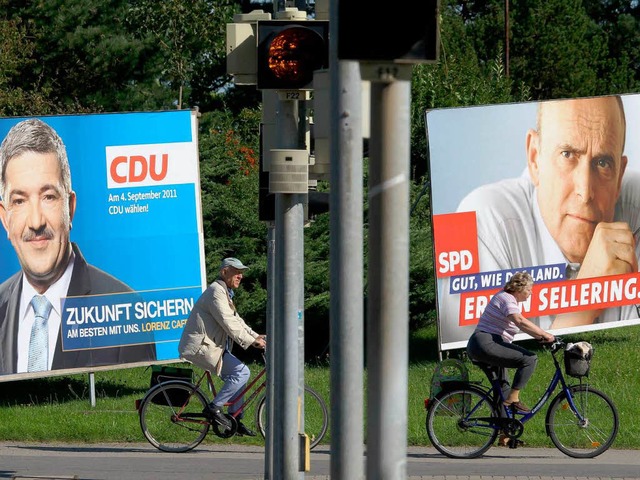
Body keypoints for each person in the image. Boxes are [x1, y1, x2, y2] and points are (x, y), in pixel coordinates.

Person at [440, 95, 640, 344]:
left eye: (602, 162)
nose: (585, 191)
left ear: (619, 176)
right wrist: (585, 298)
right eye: (567, 154)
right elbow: (468, 362)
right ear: (535, 158)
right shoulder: (469, 221)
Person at [0, 118, 156, 375]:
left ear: (70, 209)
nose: (36, 221)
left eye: (49, 196)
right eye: (20, 200)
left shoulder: (126, 311)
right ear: (5, 218)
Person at [178, 257, 266, 436]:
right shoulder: (215, 291)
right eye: (236, 271)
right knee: (242, 372)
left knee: (239, 375)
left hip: (213, 347)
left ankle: (235, 418)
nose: (240, 276)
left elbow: (236, 320)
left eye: (242, 272)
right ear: (224, 272)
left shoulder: (225, 292)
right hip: (201, 348)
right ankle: (214, 408)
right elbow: (227, 322)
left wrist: (256, 335)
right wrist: (251, 342)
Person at [466, 272, 555, 447]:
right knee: (529, 359)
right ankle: (513, 399)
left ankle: (504, 434)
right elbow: (520, 321)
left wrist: (540, 337)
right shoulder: (506, 298)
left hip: (485, 343)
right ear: (519, 288)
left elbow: (522, 325)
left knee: (502, 386)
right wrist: (545, 334)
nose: (531, 293)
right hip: (486, 342)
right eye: (530, 289)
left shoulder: (508, 300)